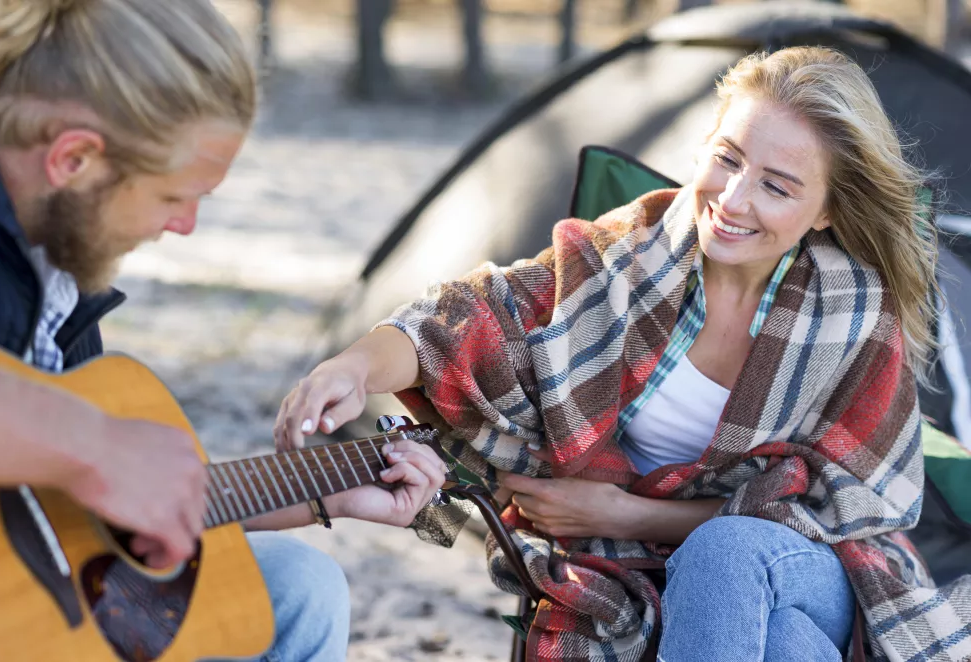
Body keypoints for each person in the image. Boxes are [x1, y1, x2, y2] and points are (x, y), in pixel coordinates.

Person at [275, 47, 971, 661]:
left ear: (824, 211)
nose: (732, 198)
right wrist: (355, 366)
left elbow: (848, 510)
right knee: (787, 647)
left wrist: (625, 517)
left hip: (818, 570)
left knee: (726, 553)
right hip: (623, 571)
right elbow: (465, 320)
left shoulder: (852, 314)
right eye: (727, 158)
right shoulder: (622, 263)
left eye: (776, 185)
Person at [0, 1, 445, 660]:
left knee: (299, 585)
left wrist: (323, 496)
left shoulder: (56, 266)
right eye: (174, 197)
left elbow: (69, 521)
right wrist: (98, 442)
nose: (185, 226)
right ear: (74, 157)